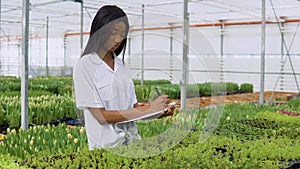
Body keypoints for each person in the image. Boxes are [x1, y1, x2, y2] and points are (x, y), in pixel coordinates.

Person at [73, 5, 175, 150]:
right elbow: (102, 116)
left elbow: (133, 109)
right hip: (105, 151)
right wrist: (149, 109)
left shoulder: (122, 67)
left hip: (132, 145)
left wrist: (159, 111)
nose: (118, 39)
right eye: (114, 33)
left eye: (122, 34)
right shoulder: (86, 65)